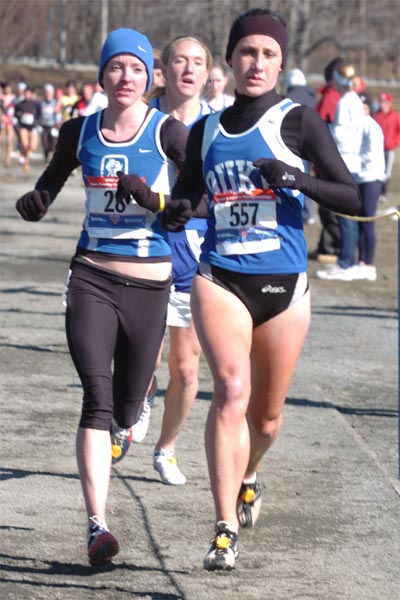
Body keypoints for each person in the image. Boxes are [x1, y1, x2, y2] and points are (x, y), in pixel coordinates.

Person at [162, 7, 360, 571]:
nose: (257, 62)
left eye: (269, 54)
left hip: (283, 284)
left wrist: (297, 178)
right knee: (229, 389)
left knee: (266, 420)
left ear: (280, 62)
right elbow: (195, 199)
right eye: (248, 51)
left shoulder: (298, 121)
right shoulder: (205, 130)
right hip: (220, 275)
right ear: (230, 58)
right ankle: (224, 528)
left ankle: (251, 471)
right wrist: (178, 211)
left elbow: (351, 197)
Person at [15, 28, 189, 567]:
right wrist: (37, 200)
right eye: (115, 67)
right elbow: (53, 178)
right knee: (97, 393)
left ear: (150, 77)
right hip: (91, 275)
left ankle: (138, 408)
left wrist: (156, 198)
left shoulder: (169, 133)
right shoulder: (80, 131)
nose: (125, 77)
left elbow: (195, 202)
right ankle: (98, 525)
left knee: (129, 401)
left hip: (150, 283)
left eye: (136, 68)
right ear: (101, 75)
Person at [139, 34, 213, 485]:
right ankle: (136, 401)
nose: (188, 68)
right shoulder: (140, 120)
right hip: (142, 250)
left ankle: (165, 449)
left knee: (185, 368)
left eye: (197, 62)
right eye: (179, 61)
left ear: (208, 73)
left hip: (195, 254)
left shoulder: (218, 126)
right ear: (163, 70)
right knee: (142, 358)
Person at [316, 63, 365, 281]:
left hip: (345, 160)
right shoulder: (356, 100)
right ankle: (348, 259)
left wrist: (325, 130)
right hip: (353, 160)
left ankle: (346, 261)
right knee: (349, 216)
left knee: (345, 215)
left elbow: (340, 134)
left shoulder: (345, 102)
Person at [310, 56, 345, 263]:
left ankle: (332, 246)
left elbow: (319, 130)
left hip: (330, 161)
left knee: (330, 207)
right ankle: (327, 244)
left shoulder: (332, 97)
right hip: (333, 159)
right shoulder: (336, 95)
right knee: (327, 206)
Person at [355, 92, 386, 281]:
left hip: (371, 177)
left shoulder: (371, 127)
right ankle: (361, 260)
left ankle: (369, 260)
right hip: (360, 177)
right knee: (360, 219)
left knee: (368, 219)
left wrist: (352, 158)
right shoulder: (360, 126)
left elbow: (371, 154)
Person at [284, 68, 316, 224]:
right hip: (310, 146)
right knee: (307, 178)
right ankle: (309, 212)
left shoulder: (287, 98)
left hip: (291, 146)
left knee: (293, 180)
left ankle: (300, 210)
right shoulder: (312, 98)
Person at [373, 92, 400, 201]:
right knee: (377, 170)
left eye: (384, 102)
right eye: (380, 101)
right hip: (377, 149)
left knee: (387, 172)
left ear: (389, 103)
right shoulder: (376, 115)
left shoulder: (395, 116)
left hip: (389, 149)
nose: (381, 104)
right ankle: (377, 191)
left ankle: (383, 193)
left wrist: (395, 142)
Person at [14, 86, 40, 171]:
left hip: (33, 127)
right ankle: (26, 161)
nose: (27, 95)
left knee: (32, 147)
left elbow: (40, 114)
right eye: (26, 93)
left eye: (29, 93)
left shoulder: (36, 104)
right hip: (23, 126)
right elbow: (16, 114)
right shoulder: (20, 104)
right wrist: (18, 123)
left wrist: (37, 123)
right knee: (25, 144)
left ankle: (25, 157)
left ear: (31, 94)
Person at [38, 83, 59, 162]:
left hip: (52, 126)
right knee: (45, 143)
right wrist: (38, 124)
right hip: (43, 126)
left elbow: (58, 114)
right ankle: (46, 155)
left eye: (49, 93)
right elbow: (38, 114)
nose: (48, 94)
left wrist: (57, 126)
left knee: (54, 143)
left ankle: (52, 160)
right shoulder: (41, 103)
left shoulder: (55, 102)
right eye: (46, 92)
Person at [0, 82, 16, 167]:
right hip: (1, 121)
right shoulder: (1, 98)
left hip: (10, 122)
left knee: (9, 141)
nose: (8, 90)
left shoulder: (14, 98)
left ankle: (7, 160)